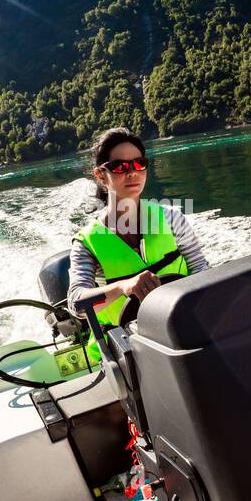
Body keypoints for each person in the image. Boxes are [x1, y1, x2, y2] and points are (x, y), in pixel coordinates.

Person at [68, 127, 209, 363]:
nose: (132, 173)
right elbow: (77, 306)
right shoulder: (86, 243)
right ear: (101, 175)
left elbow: (203, 273)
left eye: (139, 164)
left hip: (184, 332)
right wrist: (123, 287)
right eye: (120, 167)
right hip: (124, 352)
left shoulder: (172, 219)